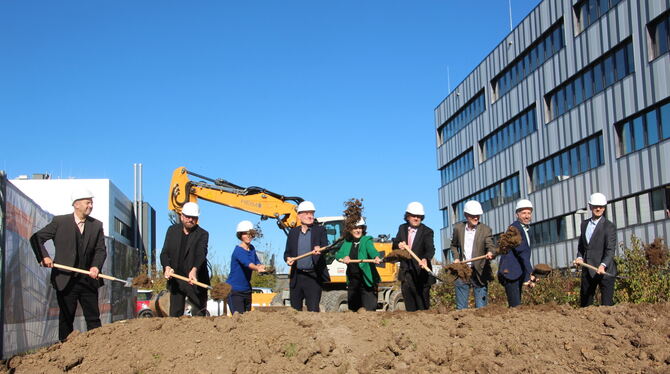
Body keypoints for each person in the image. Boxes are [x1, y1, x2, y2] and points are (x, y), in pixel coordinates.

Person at [30, 187, 107, 342]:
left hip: (88, 280)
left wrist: (95, 266)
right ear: (76, 204)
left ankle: (98, 350)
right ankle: (65, 351)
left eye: (91, 203)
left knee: (93, 318)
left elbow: (101, 250)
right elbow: (36, 238)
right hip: (65, 280)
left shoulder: (96, 225)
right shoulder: (60, 222)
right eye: (87, 203)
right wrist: (44, 257)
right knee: (66, 317)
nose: (90, 206)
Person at [160, 202, 210, 317]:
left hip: (196, 280)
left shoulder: (203, 234)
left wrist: (194, 270)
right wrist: (167, 267)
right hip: (177, 279)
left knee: (199, 315)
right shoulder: (172, 231)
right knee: (175, 315)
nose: (190, 220)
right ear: (181, 216)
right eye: (188, 217)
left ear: (197, 219)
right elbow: (164, 253)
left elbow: (201, 254)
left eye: (194, 218)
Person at [449, 200, 496, 309]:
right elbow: (453, 246)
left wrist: (490, 252)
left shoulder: (485, 230)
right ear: (466, 215)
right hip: (463, 269)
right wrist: (456, 258)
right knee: (461, 308)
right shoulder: (458, 229)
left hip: (479, 271)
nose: (476, 218)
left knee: (481, 307)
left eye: (478, 216)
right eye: (473, 216)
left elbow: (490, 245)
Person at [283, 201, 330, 312]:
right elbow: (287, 252)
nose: (310, 216)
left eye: (312, 213)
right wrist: (288, 259)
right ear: (299, 215)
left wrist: (320, 249)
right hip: (297, 276)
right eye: (307, 213)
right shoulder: (293, 233)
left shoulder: (320, 230)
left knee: (313, 310)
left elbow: (326, 247)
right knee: (295, 311)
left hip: (313, 277)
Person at [574, 192, 617, 307]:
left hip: (604, 271)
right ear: (590, 206)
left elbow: (610, 250)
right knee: (585, 305)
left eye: (601, 206)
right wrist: (579, 257)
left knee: (607, 306)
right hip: (588, 270)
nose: (598, 209)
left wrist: (603, 265)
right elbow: (582, 246)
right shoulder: (584, 224)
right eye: (595, 206)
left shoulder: (609, 226)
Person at [392, 202, 436, 311]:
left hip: (421, 275)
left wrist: (425, 259)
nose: (416, 218)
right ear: (407, 216)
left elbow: (430, 249)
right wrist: (399, 245)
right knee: (410, 308)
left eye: (419, 216)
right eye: (414, 216)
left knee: (422, 308)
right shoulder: (402, 228)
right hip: (406, 273)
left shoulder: (427, 231)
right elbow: (394, 245)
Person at [335, 219, 382, 311]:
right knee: (353, 310)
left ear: (363, 229)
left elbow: (372, 250)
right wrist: (344, 258)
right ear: (350, 230)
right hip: (353, 280)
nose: (358, 230)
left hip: (366, 280)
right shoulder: (347, 242)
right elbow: (338, 255)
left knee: (369, 309)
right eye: (355, 228)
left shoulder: (366, 240)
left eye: (360, 228)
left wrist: (376, 256)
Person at [498, 199, 536, 307]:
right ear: (517, 214)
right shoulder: (514, 229)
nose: (527, 216)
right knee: (515, 307)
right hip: (510, 273)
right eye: (523, 213)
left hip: (518, 273)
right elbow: (522, 253)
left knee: (517, 306)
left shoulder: (526, 229)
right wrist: (530, 273)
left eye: (529, 213)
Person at [226, 220, 266, 314]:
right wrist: (257, 268)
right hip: (234, 291)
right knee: (239, 319)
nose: (248, 236)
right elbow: (248, 264)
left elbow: (256, 261)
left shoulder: (252, 249)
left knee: (247, 320)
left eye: (250, 233)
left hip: (247, 290)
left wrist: (261, 266)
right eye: (245, 234)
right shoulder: (238, 251)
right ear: (240, 235)